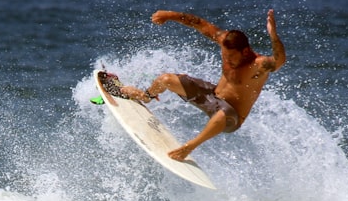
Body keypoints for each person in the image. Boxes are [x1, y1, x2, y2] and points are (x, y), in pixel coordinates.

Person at [120, 9, 286, 161]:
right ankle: (145, 96)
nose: (227, 60)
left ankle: (189, 147)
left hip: (231, 117)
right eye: (225, 55)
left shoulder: (258, 65)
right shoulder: (225, 41)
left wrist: (273, 35)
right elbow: (200, 24)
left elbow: (279, 61)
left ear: (245, 52)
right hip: (211, 96)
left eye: (231, 57)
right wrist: (170, 15)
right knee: (166, 79)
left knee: (222, 113)